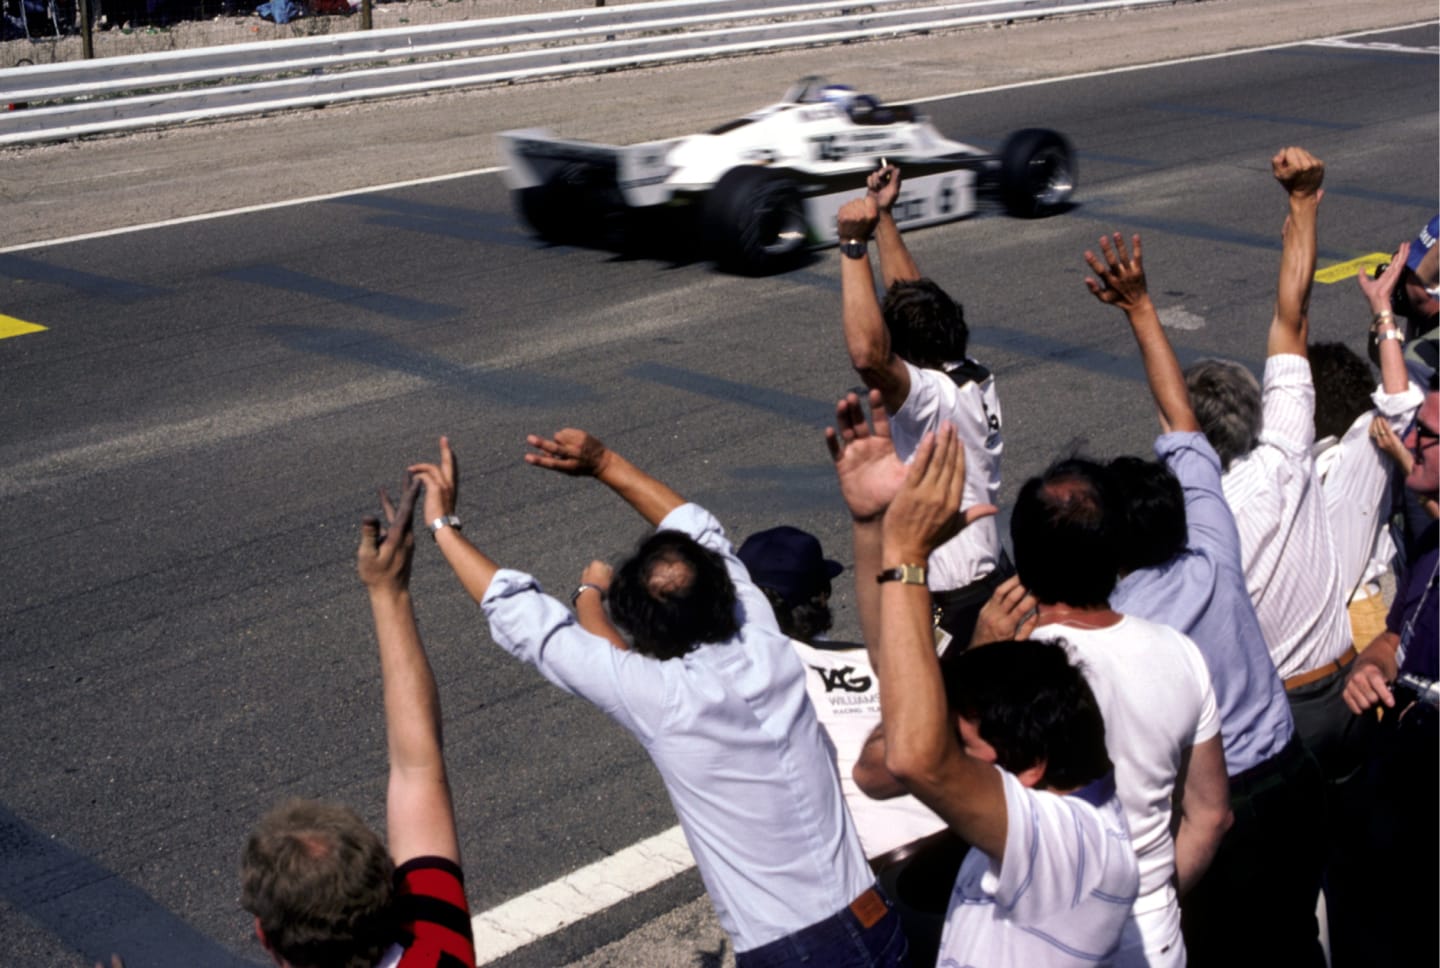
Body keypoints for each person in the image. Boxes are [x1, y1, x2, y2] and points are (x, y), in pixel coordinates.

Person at [407, 435, 907, 967]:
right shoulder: (763, 634)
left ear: (645, 631)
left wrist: (442, 525)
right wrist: (603, 462)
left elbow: (527, 621)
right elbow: (697, 527)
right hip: (874, 913)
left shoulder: (665, 698)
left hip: (794, 949)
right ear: (727, 587)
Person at [1082, 231, 1326, 966]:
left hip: (1213, 811)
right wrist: (1140, 306)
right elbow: (1181, 420)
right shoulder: (1212, 538)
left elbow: (1176, 420)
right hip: (1289, 779)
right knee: (1292, 940)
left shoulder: (1122, 621)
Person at [825, 402, 1139, 966]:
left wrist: (907, 556)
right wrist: (873, 526)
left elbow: (900, 760)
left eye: (962, 750)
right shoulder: (1044, 767)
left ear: (1030, 769)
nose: (947, 751)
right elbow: (895, 679)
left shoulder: (1068, 849)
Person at [1184, 148, 1368, 791]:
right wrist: (1301, 204)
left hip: (1276, 721)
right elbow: (1293, 314)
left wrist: (1141, 312)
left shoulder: (1195, 528)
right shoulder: (1288, 449)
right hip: (1351, 691)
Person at [239, 479, 476, 968]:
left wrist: (388, 592)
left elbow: (418, 767)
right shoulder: (438, 954)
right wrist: (390, 593)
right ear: (390, 889)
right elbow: (417, 766)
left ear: (265, 936)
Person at [1013, 455, 1229, 968]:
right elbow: (1213, 815)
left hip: (1046, 938)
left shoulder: (1016, 673)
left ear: (1023, 559)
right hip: (1153, 932)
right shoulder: (1180, 653)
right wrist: (1155, 894)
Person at [735, 524, 957, 967]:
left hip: (877, 891)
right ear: (819, 598)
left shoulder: (739, 686)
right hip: (961, 852)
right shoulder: (881, 660)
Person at [836, 163, 1007, 651]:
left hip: (952, 599)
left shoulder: (931, 396)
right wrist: (885, 217)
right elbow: (914, 302)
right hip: (985, 571)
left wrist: (853, 248)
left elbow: (869, 356)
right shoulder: (970, 372)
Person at [1339, 387, 1438, 968]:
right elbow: (1397, 635)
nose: (1408, 443)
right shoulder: (1431, 545)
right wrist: (1373, 664)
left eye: (1425, 435)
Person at [1315, 252, 1424, 649]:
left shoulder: (1364, 445)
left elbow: (1400, 403)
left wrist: (1383, 313)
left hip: (1356, 621)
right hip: (1321, 619)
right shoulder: (1316, 453)